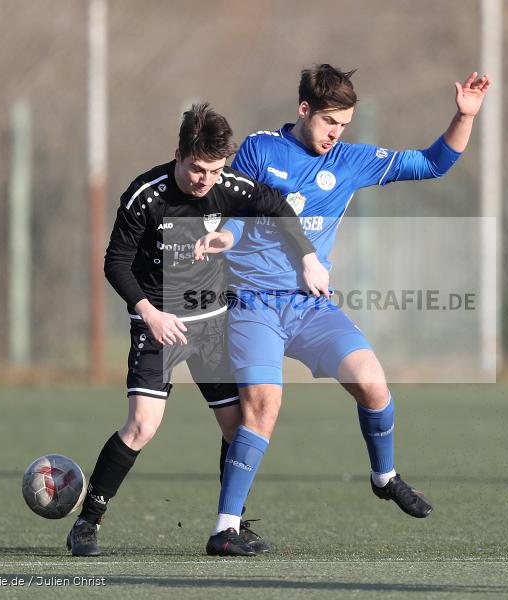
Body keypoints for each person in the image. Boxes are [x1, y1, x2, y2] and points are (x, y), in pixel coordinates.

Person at [195, 64, 491, 555]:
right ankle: (226, 528)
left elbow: (433, 163)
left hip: (310, 306)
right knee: (263, 409)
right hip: (253, 302)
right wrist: (228, 235)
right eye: (329, 121)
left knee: (373, 383)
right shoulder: (260, 149)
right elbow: (239, 212)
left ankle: (384, 475)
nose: (336, 133)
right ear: (304, 109)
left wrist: (464, 117)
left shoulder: (353, 160)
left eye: (344, 125)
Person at [66, 103, 329, 556]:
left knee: (237, 426)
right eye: (197, 169)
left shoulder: (226, 185)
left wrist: (306, 255)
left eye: (215, 169)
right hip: (159, 323)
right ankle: (87, 523)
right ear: (179, 154)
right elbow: (115, 263)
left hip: (210, 322)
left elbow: (276, 206)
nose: (206, 179)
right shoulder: (145, 195)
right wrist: (149, 312)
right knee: (142, 425)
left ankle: (231, 523)